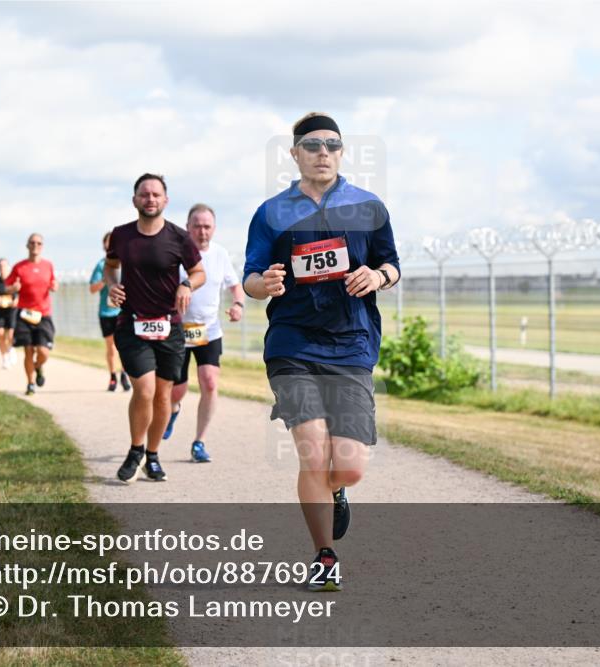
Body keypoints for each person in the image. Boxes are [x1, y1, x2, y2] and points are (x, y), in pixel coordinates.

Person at [243, 112, 400, 592]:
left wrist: (376, 277)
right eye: (312, 145)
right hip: (292, 344)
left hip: (351, 345)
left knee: (347, 465)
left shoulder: (368, 206)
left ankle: (338, 492)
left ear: (342, 152)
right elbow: (250, 278)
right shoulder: (272, 212)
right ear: (294, 154)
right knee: (313, 455)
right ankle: (325, 555)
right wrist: (263, 284)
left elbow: (391, 264)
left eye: (332, 144)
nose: (323, 152)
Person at [105, 173, 205, 483]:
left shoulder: (179, 237)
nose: (150, 199)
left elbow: (198, 272)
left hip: (169, 326)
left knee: (163, 397)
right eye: (144, 194)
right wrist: (112, 285)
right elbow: (111, 266)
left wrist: (187, 285)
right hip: (132, 325)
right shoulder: (121, 235)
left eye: (156, 194)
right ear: (135, 199)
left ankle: (152, 455)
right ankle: (136, 450)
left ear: (165, 200)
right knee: (144, 390)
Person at [162, 203, 244, 463]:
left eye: (207, 226)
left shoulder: (220, 254)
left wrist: (238, 305)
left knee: (209, 381)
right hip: (178, 330)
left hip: (209, 330)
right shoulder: (176, 253)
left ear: (214, 229)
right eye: (197, 226)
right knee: (177, 390)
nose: (202, 231)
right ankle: (173, 410)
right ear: (188, 228)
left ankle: (199, 442)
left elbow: (235, 286)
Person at [5, 233, 58, 395]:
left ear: (42, 246)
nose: (36, 245)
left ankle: (38, 366)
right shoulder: (19, 267)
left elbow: (53, 282)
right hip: (24, 314)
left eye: (39, 243)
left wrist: (54, 285)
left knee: (43, 352)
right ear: (27, 245)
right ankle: (30, 384)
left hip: (43, 314)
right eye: (32, 242)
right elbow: (7, 287)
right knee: (28, 350)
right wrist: (13, 289)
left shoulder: (48, 265)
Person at [89, 232, 130, 392]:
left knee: (125, 346)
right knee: (111, 347)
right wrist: (106, 280)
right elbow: (92, 288)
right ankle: (113, 376)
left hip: (124, 312)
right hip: (106, 312)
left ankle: (124, 375)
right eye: (108, 242)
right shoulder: (101, 265)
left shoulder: (127, 263)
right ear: (104, 245)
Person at [0, 258, 18, 369]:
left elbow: (19, 296)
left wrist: (15, 301)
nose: (2, 268)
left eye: (4, 265)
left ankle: (11, 349)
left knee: (10, 335)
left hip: (11, 311)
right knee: (1, 336)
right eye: (0, 266)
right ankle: (5, 359)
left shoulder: (14, 281)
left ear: (8, 266)